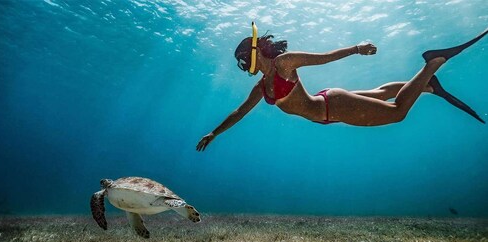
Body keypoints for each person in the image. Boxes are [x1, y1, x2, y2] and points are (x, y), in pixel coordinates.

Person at [196, 22, 487, 151]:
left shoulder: (284, 63)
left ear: (253, 55)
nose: (242, 64)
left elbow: (324, 58)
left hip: (331, 106)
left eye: (243, 58)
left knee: (397, 111)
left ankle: (431, 64)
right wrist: (214, 132)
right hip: (328, 105)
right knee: (379, 93)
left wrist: (357, 48)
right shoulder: (262, 87)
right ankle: (427, 86)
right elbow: (239, 112)